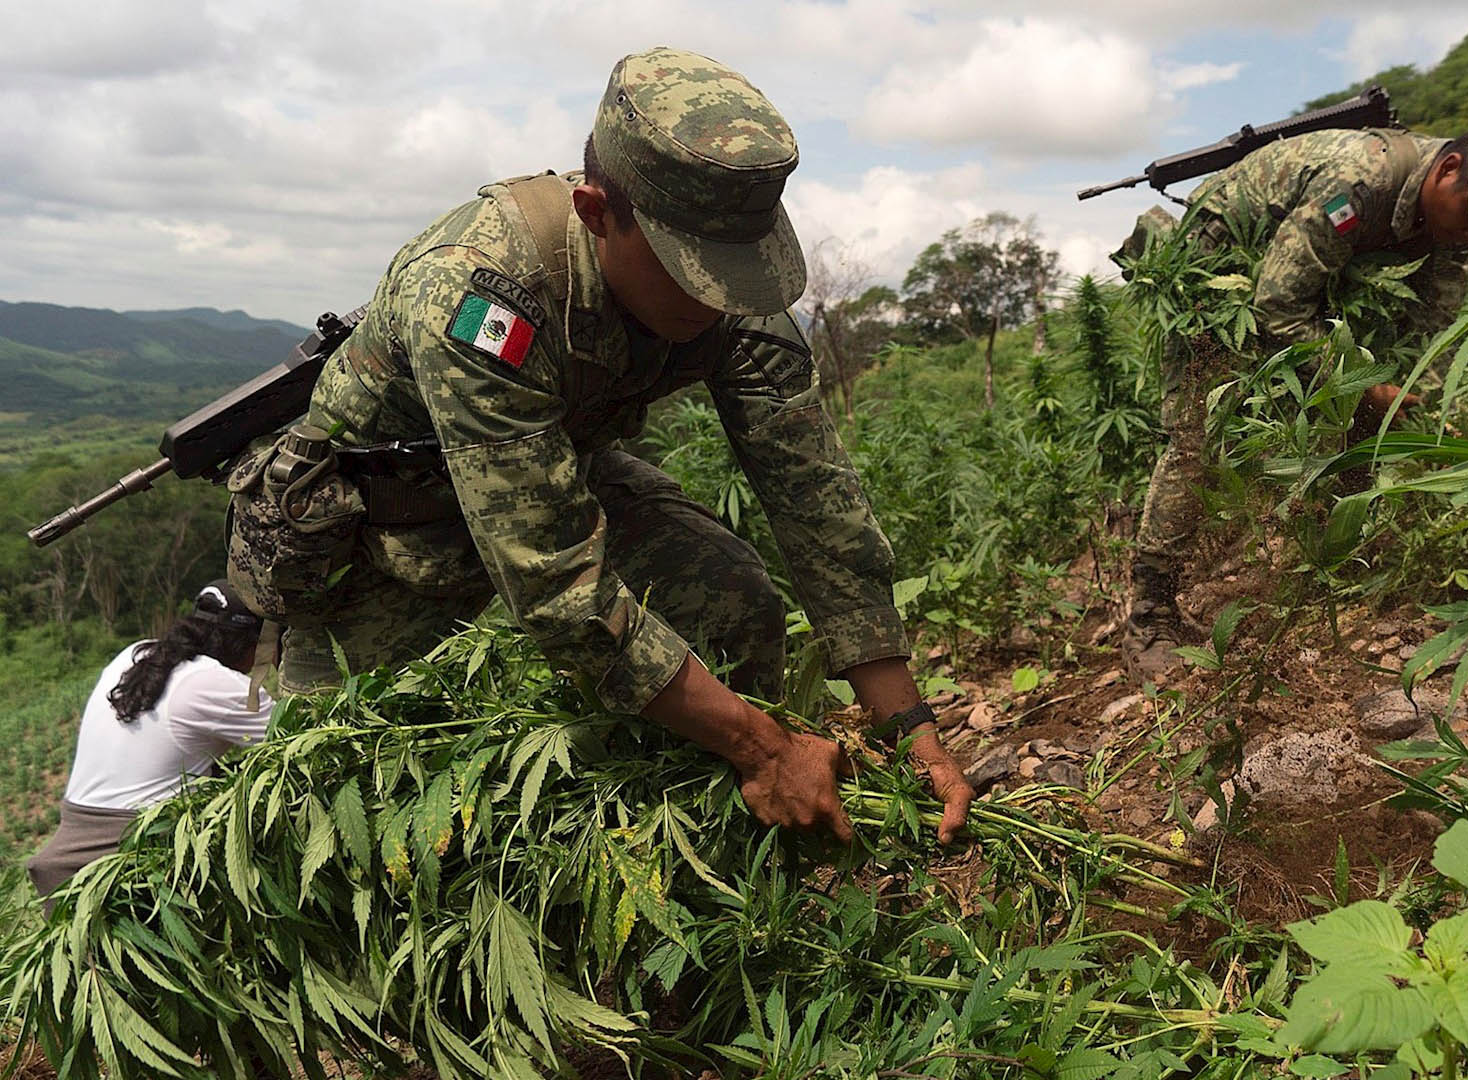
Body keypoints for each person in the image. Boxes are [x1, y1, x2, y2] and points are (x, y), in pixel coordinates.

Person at [240, 48, 972, 844]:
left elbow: (817, 503)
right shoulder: (479, 292)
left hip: (557, 473)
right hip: (384, 534)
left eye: (733, 273)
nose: (716, 301)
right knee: (337, 786)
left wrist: (911, 729)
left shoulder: (736, 289)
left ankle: (719, 850)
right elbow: (557, 586)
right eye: (689, 271)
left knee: (728, 597)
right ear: (596, 212)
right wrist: (765, 748)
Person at [1119, 119, 1468, 678]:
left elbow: (1432, 328)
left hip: (1303, 276)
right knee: (1198, 434)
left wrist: (1412, 395)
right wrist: (1365, 381)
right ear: (1449, 170)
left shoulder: (1452, 228)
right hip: (1220, 263)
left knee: (1370, 410)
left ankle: (1340, 556)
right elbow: (1279, 307)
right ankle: (1150, 614)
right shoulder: (1359, 182)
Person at [26, 581, 271, 909]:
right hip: (126, 857)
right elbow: (292, 736)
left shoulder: (136, 654)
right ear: (254, 645)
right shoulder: (218, 684)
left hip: (69, 848)